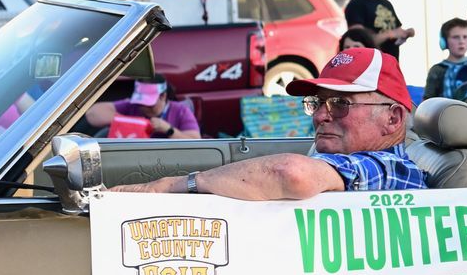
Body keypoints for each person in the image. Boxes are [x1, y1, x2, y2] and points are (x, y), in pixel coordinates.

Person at [111, 50, 423, 198]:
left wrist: (168, 187)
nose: (319, 116)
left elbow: (290, 173)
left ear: (392, 118)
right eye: (318, 103)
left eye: (341, 104)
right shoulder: (341, 162)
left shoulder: (393, 169)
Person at [83, 79, 203, 140]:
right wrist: (129, 122)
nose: (144, 108)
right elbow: (92, 114)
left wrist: (168, 129)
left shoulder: (181, 111)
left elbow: (195, 142)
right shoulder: (132, 106)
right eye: (141, 103)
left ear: (163, 96)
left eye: (149, 104)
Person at [425, 18, 467, 101]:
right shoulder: (437, 70)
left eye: (465, 37)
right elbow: (428, 101)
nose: (461, 41)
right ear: (444, 41)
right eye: (455, 37)